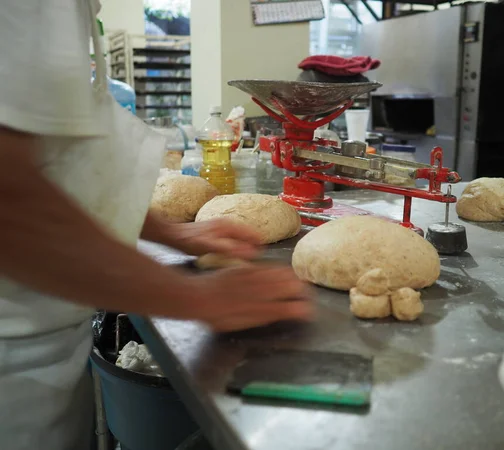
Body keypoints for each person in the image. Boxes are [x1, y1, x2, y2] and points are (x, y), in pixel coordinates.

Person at [0, 1, 313, 449]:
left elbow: (57, 172)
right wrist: (195, 297)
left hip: (46, 328)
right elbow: (10, 205)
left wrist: (172, 232)